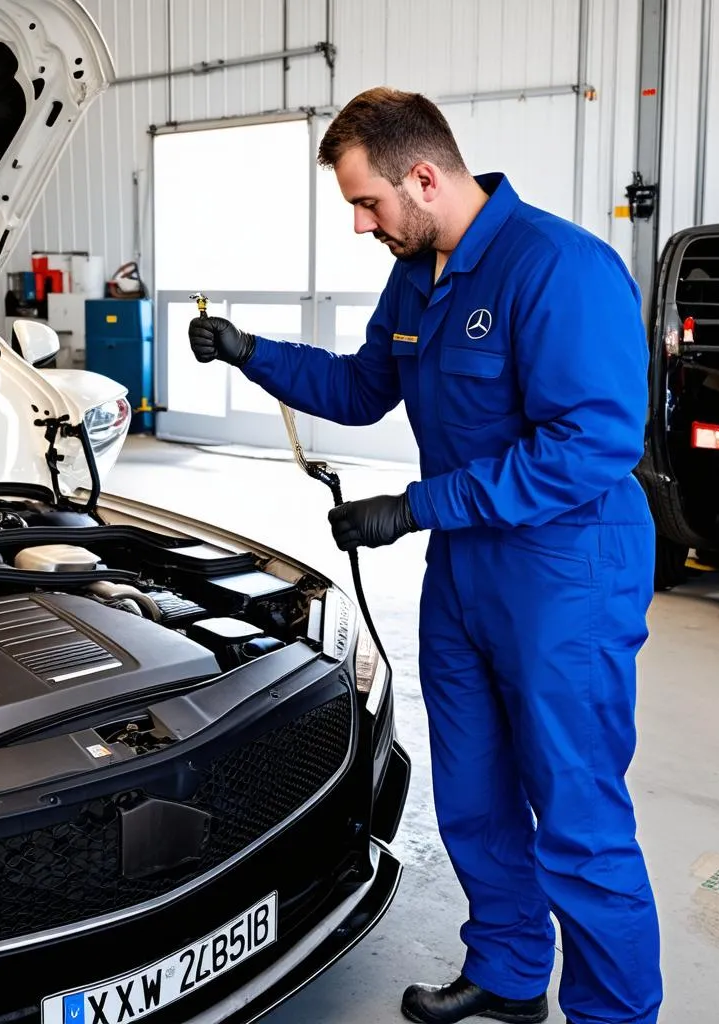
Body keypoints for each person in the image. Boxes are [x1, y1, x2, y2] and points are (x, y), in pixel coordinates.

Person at [187, 88, 662, 1024]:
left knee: (577, 815)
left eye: (368, 204)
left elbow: (592, 445)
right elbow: (366, 387)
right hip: (467, 571)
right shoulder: (420, 273)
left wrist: (414, 507)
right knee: (475, 790)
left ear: (426, 176)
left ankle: (615, 1015)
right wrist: (252, 353)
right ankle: (513, 971)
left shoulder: (559, 269)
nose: (363, 225)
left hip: (567, 570)